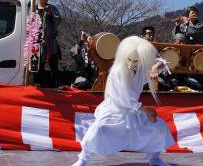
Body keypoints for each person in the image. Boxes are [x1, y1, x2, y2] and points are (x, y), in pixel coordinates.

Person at [72, 36, 175, 166]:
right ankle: (83, 158)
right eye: (129, 60)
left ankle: (154, 158)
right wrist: (145, 109)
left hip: (134, 112)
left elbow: (163, 62)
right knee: (98, 129)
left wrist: (155, 66)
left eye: (136, 61)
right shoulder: (117, 71)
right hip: (114, 111)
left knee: (159, 126)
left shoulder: (142, 67)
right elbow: (124, 97)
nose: (132, 64)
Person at [35, 0, 63, 87]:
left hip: (50, 39)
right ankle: (39, 81)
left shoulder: (52, 8)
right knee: (38, 61)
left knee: (53, 60)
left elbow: (58, 20)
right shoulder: (33, 7)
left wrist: (51, 15)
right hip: (36, 40)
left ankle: (55, 81)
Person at [141, 26, 173, 91]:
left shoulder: (153, 49)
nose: (151, 37)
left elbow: (162, 61)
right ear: (142, 36)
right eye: (149, 34)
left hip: (150, 77)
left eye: (152, 35)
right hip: (137, 79)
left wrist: (155, 66)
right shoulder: (135, 47)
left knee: (169, 85)